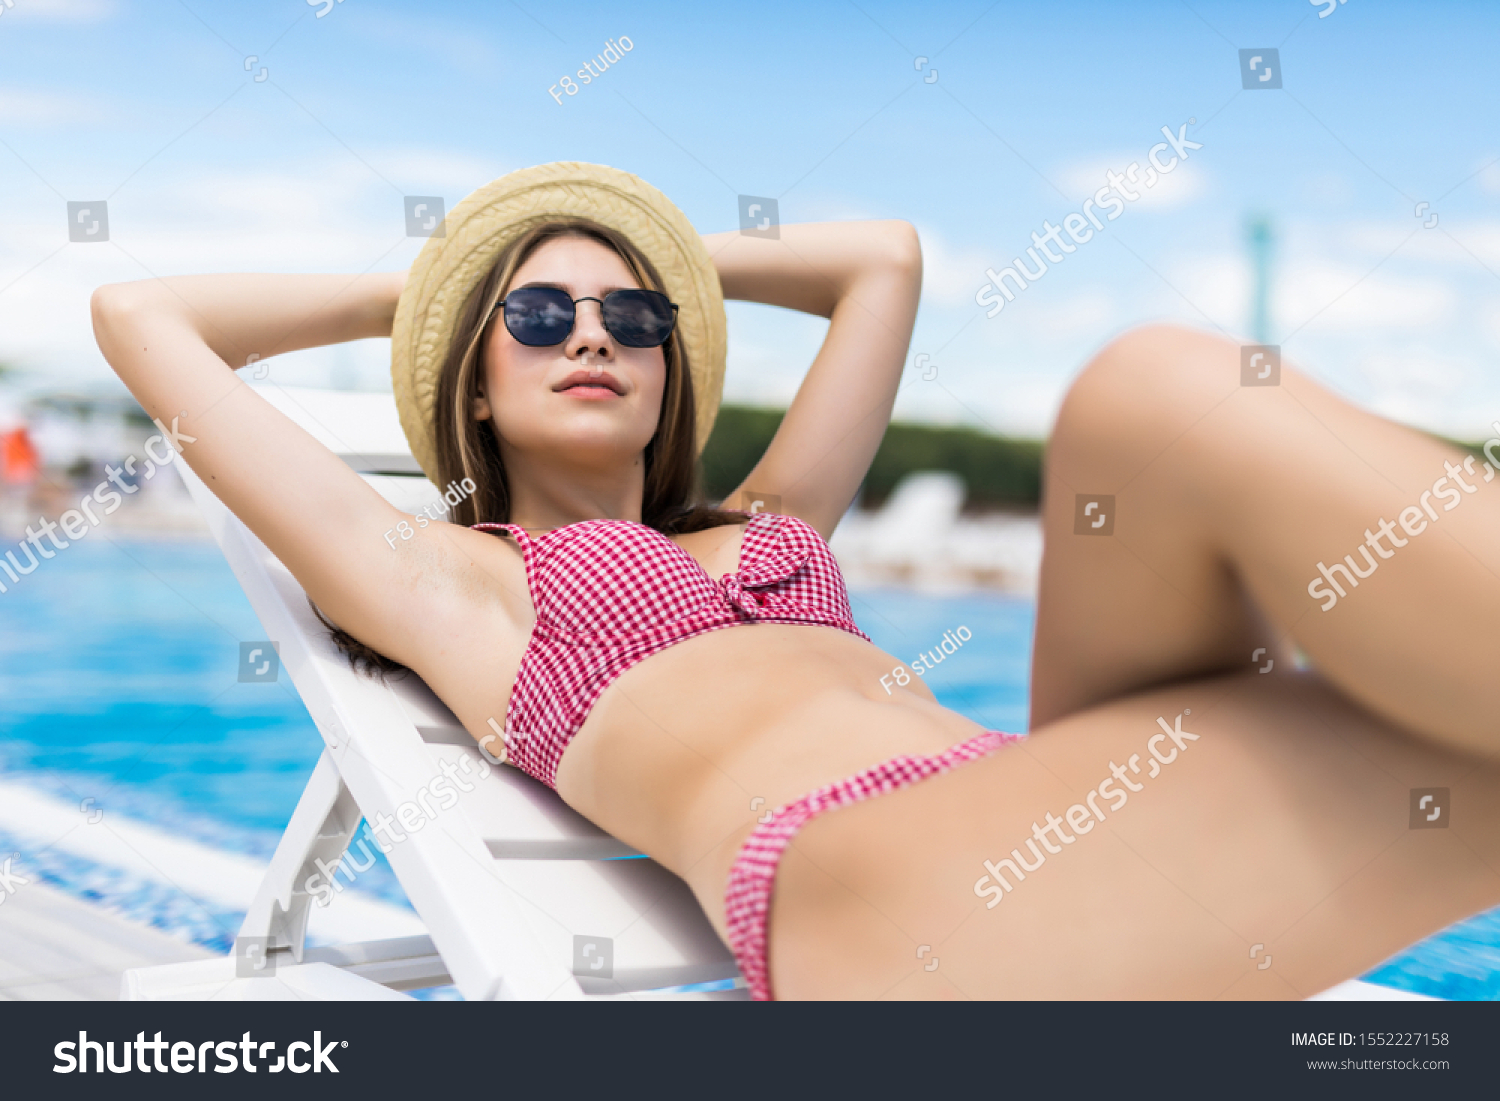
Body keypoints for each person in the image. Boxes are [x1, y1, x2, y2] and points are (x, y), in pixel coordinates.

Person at [91, 162, 1500, 1000]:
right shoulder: (444, 576)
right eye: (538, 316)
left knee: (1163, 401)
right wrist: (452, 272)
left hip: (1040, 807)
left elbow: (879, 260)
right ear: (473, 361)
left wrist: (599, 241)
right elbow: (144, 316)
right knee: (1160, 388)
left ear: (669, 361)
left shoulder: (777, 519)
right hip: (878, 902)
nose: (595, 332)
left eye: (632, 316)